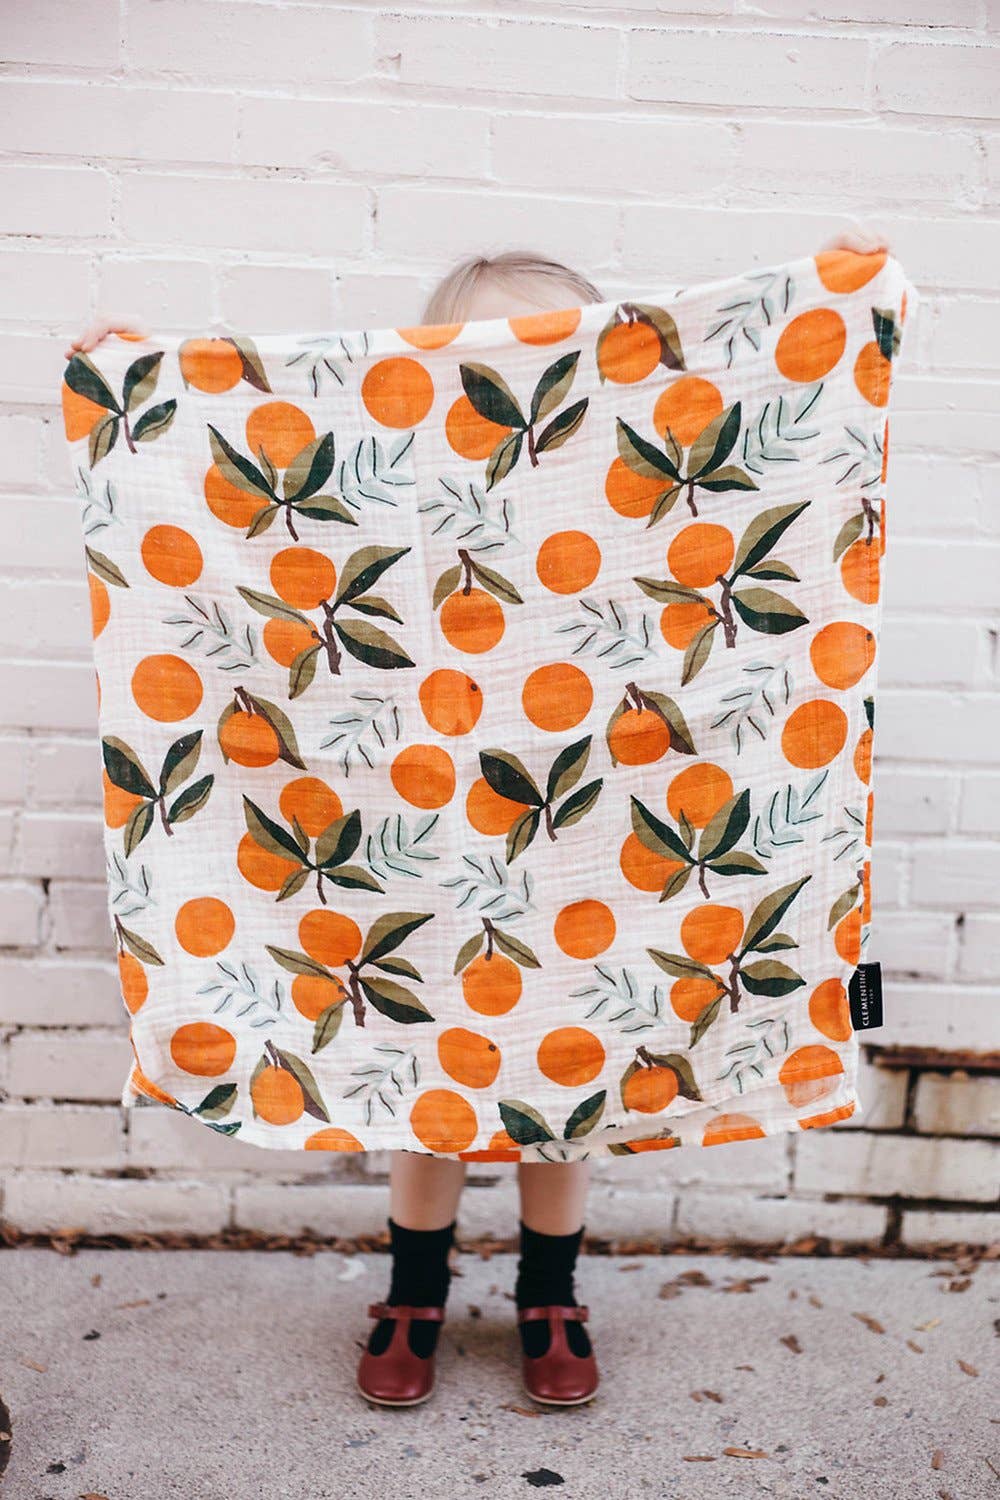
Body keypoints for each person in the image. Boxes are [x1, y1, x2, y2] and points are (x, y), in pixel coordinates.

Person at [66, 224, 890, 1411]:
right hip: (419, 821)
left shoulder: (628, 460)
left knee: (566, 1070)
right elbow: (263, 494)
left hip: (592, 822)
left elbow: (754, 451)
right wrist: (140, 383)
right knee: (423, 1070)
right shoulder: (395, 457)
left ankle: (550, 1290)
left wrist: (834, 298)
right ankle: (414, 1287)